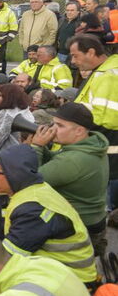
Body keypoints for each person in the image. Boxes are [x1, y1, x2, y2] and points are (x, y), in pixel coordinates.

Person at [0, 145, 98, 285]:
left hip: (72, 281)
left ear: (13, 174)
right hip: (62, 272)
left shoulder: (32, 209)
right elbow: (2, 222)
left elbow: (7, 259)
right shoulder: (30, 190)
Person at [29, 102, 109, 257]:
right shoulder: (91, 145)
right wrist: (44, 148)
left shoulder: (74, 160)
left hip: (79, 226)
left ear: (79, 131)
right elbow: (57, 161)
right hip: (94, 221)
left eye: (60, 125)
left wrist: (37, 147)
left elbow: (32, 181)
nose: (52, 129)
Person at [69, 34, 118, 224]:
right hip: (102, 150)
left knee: (101, 213)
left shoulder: (109, 76)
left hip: (107, 152)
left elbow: (109, 119)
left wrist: (73, 122)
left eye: (75, 56)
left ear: (90, 52)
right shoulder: (102, 72)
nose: (73, 61)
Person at [0, 84, 34, 156]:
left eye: (0, 95)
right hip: (21, 152)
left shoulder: (7, 113)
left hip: (4, 154)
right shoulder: (26, 111)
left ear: (8, 97)